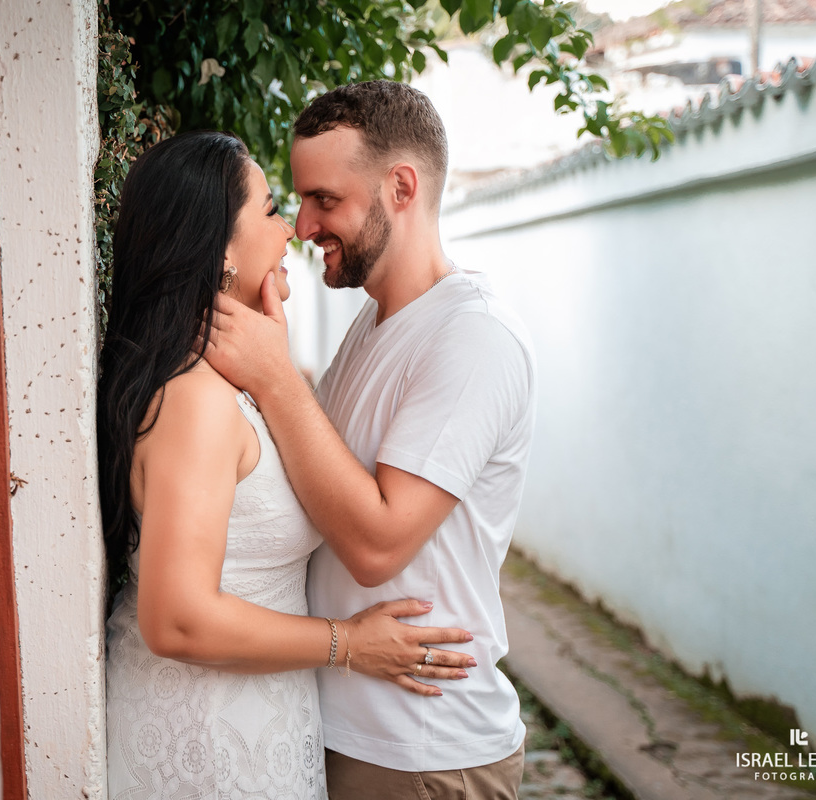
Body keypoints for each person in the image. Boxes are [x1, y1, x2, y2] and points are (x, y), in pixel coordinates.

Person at [97, 130, 477, 800]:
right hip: (208, 741)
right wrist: (348, 644)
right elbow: (176, 617)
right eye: (272, 211)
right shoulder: (196, 401)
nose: (293, 232)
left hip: (255, 721)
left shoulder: (229, 385)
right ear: (219, 253)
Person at [204, 82, 538, 799]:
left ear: (401, 187)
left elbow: (377, 544)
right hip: (342, 725)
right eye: (299, 200)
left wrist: (276, 380)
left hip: (422, 748)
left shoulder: (472, 336)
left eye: (325, 199)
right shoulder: (374, 321)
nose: (302, 223)